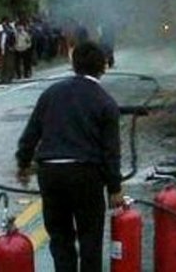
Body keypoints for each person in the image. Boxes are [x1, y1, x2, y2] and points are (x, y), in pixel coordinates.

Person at [15, 41, 123, 272]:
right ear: (103, 67)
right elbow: (111, 151)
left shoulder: (51, 94)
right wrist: (115, 187)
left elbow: (31, 134)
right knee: (90, 239)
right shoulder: (105, 102)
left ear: (74, 65)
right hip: (86, 175)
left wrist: (23, 164)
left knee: (60, 238)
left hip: (51, 174)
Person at [0, 17, 17, 83]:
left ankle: (9, 78)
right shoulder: (1, 31)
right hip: (2, 49)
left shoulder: (10, 30)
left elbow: (13, 38)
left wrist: (11, 46)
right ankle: (3, 78)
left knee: (9, 64)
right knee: (2, 64)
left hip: (8, 48)